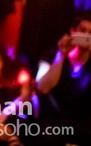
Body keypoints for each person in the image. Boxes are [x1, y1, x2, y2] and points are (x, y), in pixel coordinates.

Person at [36, 14, 91, 145]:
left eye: (90, 33)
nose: (86, 36)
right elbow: (43, 87)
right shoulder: (52, 54)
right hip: (53, 123)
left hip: (83, 125)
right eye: (82, 30)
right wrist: (61, 54)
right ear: (73, 31)